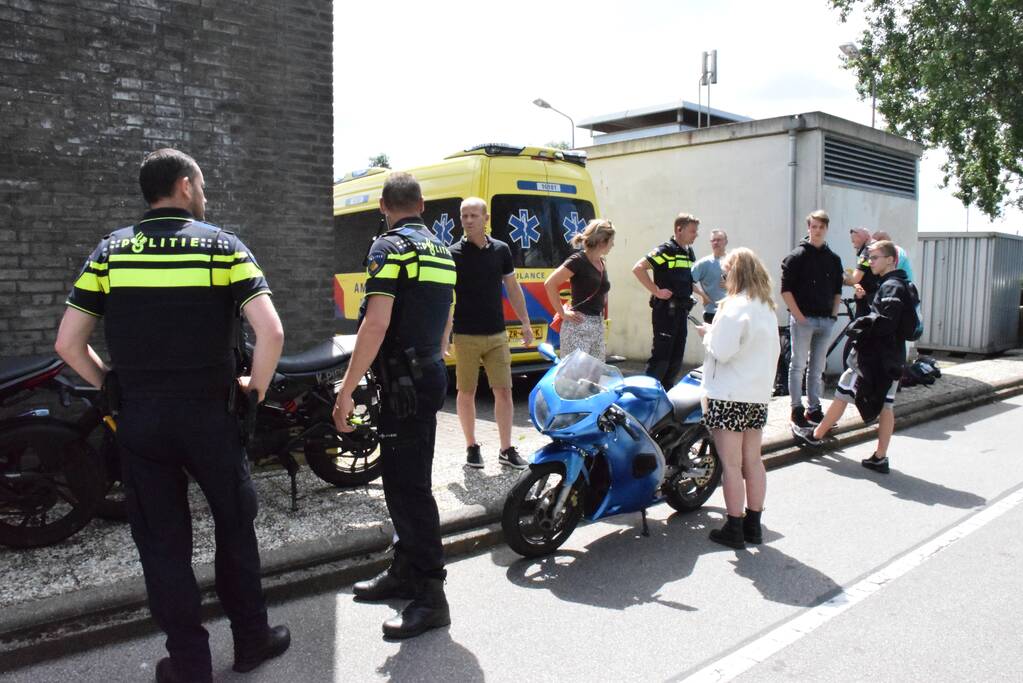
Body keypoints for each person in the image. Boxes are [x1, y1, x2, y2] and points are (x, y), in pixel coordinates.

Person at [54, 148, 289, 683]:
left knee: (163, 545)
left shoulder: (111, 253)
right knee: (234, 528)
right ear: (185, 186)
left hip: (141, 420)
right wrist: (253, 391)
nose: (204, 195)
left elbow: (68, 342)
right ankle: (252, 642)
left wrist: (111, 387)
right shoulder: (223, 247)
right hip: (212, 416)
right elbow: (271, 333)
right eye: (201, 185)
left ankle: (189, 663)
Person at [332, 172, 456, 639]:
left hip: (403, 382)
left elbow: (375, 323)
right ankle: (405, 571)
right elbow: (445, 316)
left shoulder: (389, 247)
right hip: (427, 375)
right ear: (421, 204)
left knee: (409, 490)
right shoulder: (441, 249)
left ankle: (431, 594)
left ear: (384, 206)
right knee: (404, 482)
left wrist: (346, 389)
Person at [793, 240, 916, 474]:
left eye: (875, 258)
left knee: (842, 392)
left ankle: (815, 436)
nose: (870, 262)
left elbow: (885, 323)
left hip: (873, 358)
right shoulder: (901, 284)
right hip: (893, 357)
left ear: (890, 260)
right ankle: (880, 457)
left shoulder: (891, 287)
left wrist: (862, 324)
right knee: (886, 405)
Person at [696, 248, 781, 549]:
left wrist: (707, 333)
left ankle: (733, 528)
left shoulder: (734, 306)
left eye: (726, 271)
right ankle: (753, 526)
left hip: (729, 394)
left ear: (736, 272)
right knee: (753, 461)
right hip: (756, 396)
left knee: (731, 466)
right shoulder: (767, 307)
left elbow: (722, 350)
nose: (723, 277)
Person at [449, 197, 534, 470]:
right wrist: (444, 335)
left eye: (474, 215)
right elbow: (445, 298)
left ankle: (506, 448)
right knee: (466, 392)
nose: (468, 220)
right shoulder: (452, 254)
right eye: (464, 216)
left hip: (497, 334)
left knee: (505, 391)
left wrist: (525, 322)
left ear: (485, 219)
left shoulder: (501, 250)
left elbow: (512, 287)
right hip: (465, 335)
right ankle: (471, 446)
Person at [780, 209, 844, 429]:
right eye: (813, 227)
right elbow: (786, 290)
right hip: (803, 320)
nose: (817, 231)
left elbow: (837, 290)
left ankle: (814, 409)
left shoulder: (834, 259)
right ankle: (796, 408)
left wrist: (834, 315)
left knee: (817, 368)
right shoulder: (796, 256)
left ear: (826, 229)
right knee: (798, 365)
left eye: (821, 227)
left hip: (825, 320)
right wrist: (799, 317)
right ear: (808, 228)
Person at [632, 213, 699, 387]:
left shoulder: (688, 253)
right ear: (679, 230)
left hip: (681, 313)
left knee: (676, 359)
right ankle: (647, 398)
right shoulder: (666, 250)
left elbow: (687, 281)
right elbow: (638, 268)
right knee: (661, 360)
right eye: (692, 231)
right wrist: (656, 291)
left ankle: (666, 397)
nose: (696, 235)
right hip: (666, 313)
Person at [544, 219, 615, 360]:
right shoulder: (578, 260)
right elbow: (550, 283)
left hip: (597, 326)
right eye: (611, 241)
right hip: (578, 326)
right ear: (602, 242)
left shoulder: (602, 261)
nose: (613, 245)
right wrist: (562, 312)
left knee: (595, 375)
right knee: (574, 377)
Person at [692, 229, 728, 324]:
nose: (716, 242)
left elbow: (748, 284)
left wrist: (732, 284)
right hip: (712, 313)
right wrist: (703, 295)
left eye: (719, 240)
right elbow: (687, 282)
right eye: (713, 240)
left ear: (726, 241)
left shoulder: (735, 262)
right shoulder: (703, 264)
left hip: (733, 311)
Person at [844, 226, 879, 319]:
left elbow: (855, 279)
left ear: (860, 236)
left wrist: (841, 279)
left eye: (854, 241)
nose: (854, 245)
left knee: (860, 329)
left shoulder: (868, 251)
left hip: (869, 300)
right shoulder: (879, 248)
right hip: (878, 297)